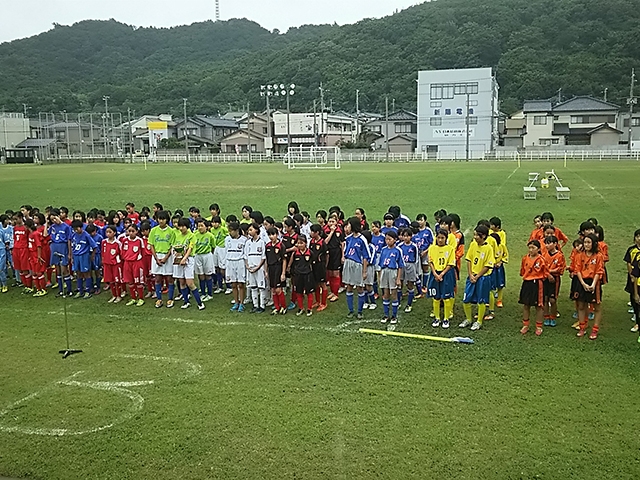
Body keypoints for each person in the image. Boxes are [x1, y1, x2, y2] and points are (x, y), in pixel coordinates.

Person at [460, 225, 494, 331]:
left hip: (483, 278)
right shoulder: (473, 245)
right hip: (472, 276)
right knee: (466, 299)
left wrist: (478, 276)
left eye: (476, 235)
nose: (474, 237)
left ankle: (479, 321)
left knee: (481, 300)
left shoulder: (488, 248)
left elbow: (488, 265)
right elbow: (469, 259)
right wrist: (470, 274)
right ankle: (468, 319)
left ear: (483, 236)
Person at [571, 233, 605, 339]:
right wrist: (583, 284)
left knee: (596, 306)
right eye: (585, 242)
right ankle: (582, 327)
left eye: (588, 242)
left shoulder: (599, 256)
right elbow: (578, 270)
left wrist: (593, 284)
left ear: (594, 243)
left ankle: (595, 329)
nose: (586, 244)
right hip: (582, 282)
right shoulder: (579, 255)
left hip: (594, 282)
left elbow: (599, 271)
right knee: (581, 306)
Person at [172, 217, 205, 310]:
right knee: (181, 281)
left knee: (190, 283)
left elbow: (190, 248)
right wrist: (176, 254)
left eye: (183, 226)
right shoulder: (178, 236)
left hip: (189, 259)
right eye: (180, 226)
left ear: (187, 226)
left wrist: (184, 258)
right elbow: (175, 247)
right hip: (179, 259)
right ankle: (186, 301)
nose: (181, 228)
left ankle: (200, 303)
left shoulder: (192, 236)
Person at [518, 240, 548, 335]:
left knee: (538, 306)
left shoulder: (541, 259)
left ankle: (539, 326)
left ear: (538, 249)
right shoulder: (525, 258)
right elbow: (522, 271)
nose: (531, 250)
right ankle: (525, 325)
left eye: (533, 248)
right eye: (529, 248)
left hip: (537, 284)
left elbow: (545, 272)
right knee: (526, 305)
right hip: (527, 283)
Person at [342, 217, 370, 319]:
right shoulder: (348, 238)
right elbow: (345, 250)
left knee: (359, 288)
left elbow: (366, 256)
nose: (347, 227)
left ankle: (360, 311)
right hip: (348, 263)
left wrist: (364, 271)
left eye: (349, 225)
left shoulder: (362, 239)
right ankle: (350, 310)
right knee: (349, 286)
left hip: (358, 265)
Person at [427, 229, 456, 328]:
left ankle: (446, 319)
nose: (440, 240)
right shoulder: (432, 248)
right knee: (436, 297)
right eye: (438, 237)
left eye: (442, 238)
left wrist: (442, 274)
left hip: (446, 275)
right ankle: (437, 317)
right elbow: (430, 262)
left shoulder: (450, 249)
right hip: (435, 274)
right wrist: (435, 273)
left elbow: (450, 264)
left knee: (446, 297)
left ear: (446, 239)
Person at [148, 210, 176, 309]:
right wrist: (156, 258)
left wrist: (165, 258)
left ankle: (170, 299)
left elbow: (172, 246)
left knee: (169, 278)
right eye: (159, 219)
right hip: (156, 256)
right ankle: (159, 299)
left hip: (167, 256)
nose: (161, 221)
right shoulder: (153, 230)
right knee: (158, 278)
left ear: (167, 220)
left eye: (163, 219)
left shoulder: (171, 231)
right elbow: (151, 245)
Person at [377, 230, 404, 324]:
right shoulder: (383, 250)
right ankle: (386, 315)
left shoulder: (398, 250)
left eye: (390, 239)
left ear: (395, 240)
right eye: (386, 239)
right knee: (386, 294)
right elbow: (380, 265)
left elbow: (400, 266)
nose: (387, 241)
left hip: (393, 272)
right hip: (385, 271)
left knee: (394, 294)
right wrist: (380, 277)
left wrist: (398, 279)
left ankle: (394, 316)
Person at [46, 209, 73, 296]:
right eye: (52, 219)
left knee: (64, 269)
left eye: (55, 218)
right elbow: (45, 234)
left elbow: (69, 240)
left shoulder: (66, 227)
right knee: (58, 270)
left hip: (63, 247)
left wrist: (69, 253)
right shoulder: (53, 227)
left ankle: (69, 290)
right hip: (54, 247)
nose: (54, 220)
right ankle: (61, 290)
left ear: (59, 216)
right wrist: (46, 223)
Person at [288, 234, 315, 317]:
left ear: (306, 243)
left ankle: (309, 309)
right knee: (298, 292)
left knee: (309, 292)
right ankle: (301, 308)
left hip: (308, 275)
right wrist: (289, 269)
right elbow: (290, 263)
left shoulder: (310, 252)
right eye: (298, 243)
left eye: (301, 243)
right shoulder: (295, 253)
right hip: (298, 275)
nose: (300, 245)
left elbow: (314, 262)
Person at [542, 235, 566, 327]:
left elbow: (560, 269)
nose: (547, 245)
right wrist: (548, 274)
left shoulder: (560, 255)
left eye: (549, 243)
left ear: (555, 244)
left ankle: (553, 316)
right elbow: (542, 267)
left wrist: (549, 272)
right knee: (545, 299)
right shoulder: (544, 254)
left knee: (552, 300)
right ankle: (546, 316)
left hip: (554, 280)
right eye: (546, 243)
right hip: (545, 278)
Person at [71, 219, 97, 299]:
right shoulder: (74, 235)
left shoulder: (86, 235)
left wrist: (92, 256)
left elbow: (94, 246)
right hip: (76, 256)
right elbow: (73, 246)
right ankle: (80, 290)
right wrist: (72, 256)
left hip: (84, 256)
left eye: (77, 228)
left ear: (81, 227)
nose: (76, 230)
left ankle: (88, 291)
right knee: (78, 273)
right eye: (74, 229)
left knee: (86, 273)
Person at [244, 222, 267, 313]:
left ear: (256, 230)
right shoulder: (248, 243)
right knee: (253, 287)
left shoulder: (261, 242)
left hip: (259, 268)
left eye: (251, 230)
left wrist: (258, 267)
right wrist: (247, 266)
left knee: (261, 287)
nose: (249, 232)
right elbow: (245, 256)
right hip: (250, 268)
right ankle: (255, 305)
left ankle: (262, 305)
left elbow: (263, 257)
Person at [121, 224, 145, 306]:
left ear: (136, 232)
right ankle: (133, 298)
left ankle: (141, 298)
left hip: (136, 263)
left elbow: (143, 252)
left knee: (138, 281)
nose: (131, 233)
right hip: (127, 263)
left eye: (133, 231)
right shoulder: (124, 240)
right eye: (129, 231)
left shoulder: (139, 240)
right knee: (130, 281)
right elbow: (123, 251)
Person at [225, 221, 247, 312]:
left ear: (237, 230)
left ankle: (242, 303)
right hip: (230, 262)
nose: (230, 233)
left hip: (240, 262)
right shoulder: (227, 239)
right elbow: (226, 251)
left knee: (241, 284)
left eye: (231, 231)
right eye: (229, 231)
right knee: (233, 284)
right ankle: (236, 302)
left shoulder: (244, 240)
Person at [266, 227, 287, 315]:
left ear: (277, 235)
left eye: (273, 234)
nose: (271, 237)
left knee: (278, 289)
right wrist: (266, 271)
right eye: (269, 235)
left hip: (278, 268)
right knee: (273, 290)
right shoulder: (267, 246)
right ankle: (277, 307)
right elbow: (266, 259)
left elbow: (284, 260)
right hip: (271, 269)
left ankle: (283, 307)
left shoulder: (281, 246)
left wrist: (283, 273)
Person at [193, 218, 215, 302]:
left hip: (207, 255)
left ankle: (209, 294)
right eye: (198, 226)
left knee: (208, 275)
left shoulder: (210, 236)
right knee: (200, 275)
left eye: (202, 226)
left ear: (206, 227)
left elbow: (213, 246)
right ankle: (203, 293)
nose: (200, 228)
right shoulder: (195, 235)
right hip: (198, 256)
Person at [398, 228, 419, 313]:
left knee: (410, 284)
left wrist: (416, 269)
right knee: (400, 284)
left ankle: (409, 304)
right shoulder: (399, 246)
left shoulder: (414, 246)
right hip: (402, 266)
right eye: (404, 236)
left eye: (408, 236)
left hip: (411, 265)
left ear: (411, 237)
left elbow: (416, 258)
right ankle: (398, 301)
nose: (406, 238)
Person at [102, 225, 123, 303]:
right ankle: (113, 295)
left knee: (117, 281)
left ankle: (119, 296)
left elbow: (121, 254)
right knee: (110, 281)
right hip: (107, 264)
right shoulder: (104, 242)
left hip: (115, 265)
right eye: (107, 232)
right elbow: (103, 253)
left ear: (114, 233)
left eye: (110, 232)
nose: (108, 234)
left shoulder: (118, 243)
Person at [624, 229, 640, 332]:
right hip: (634, 276)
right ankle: (636, 316)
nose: (639, 238)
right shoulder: (631, 250)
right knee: (634, 296)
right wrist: (631, 275)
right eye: (638, 236)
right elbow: (629, 262)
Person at [310, 224, 328, 311]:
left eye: (312, 231)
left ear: (317, 232)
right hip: (313, 265)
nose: (311, 233)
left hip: (320, 265)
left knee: (322, 284)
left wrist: (325, 265)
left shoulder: (322, 242)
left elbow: (327, 254)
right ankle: (317, 301)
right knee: (316, 284)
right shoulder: (312, 241)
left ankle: (324, 303)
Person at [325, 215, 343, 301]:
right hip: (328, 253)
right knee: (330, 273)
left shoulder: (339, 231)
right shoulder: (325, 231)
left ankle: (336, 293)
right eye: (330, 221)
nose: (331, 223)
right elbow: (325, 242)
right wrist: (331, 232)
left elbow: (342, 244)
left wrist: (343, 256)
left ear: (336, 222)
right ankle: (332, 291)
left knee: (335, 273)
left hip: (336, 253)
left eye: (333, 221)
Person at [27, 219, 47, 297]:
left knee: (39, 273)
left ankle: (43, 289)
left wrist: (39, 256)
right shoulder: (30, 234)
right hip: (32, 255)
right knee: (34, 273)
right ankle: (38, 289)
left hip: (37, 256)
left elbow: (39, 245)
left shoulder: (36, 234)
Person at [12, 213, 31, 292]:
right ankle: (25, 284)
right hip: (16, 249)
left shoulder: (25, 228)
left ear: (20, 218)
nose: (15, 221)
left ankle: (29, 286)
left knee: (25, 268)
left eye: (16, 219)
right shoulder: (15, 228)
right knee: (19, 269)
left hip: (24, 249)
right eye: (14, 219)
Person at [210, 215, 229, 294]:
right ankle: (220, 286)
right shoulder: (211, 230)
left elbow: (229, 236)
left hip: (222, 248)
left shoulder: (224, 229)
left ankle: (228, 286)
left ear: (220, 223)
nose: (214, 224)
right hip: (216, 248)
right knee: (216, 267)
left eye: (216, 222)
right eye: (213, 222)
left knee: (223, 269)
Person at [86, 224, 104, 295]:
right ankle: (91, 286)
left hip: (97, 256)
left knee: (97, 271)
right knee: (89, 271)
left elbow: (102, 249)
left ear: (95, 231)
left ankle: (98, 287)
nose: (91, 234)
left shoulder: (100, 238)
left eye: (92, 232)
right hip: (88, 255)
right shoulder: (87, 237)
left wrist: (102, 258)